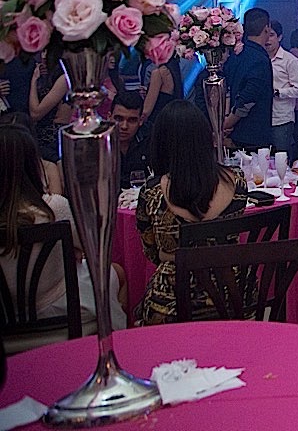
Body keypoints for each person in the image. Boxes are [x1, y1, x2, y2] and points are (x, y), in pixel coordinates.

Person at [1, 125, 127, 331]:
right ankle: (117, 339)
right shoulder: (53, 208)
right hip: (58, 307)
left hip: (6, 317)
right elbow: (88, 247)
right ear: (33, 163)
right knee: (116, 272)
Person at [135, 100, 248, 325]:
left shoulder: (152, 192)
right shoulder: (238, 183)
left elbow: (152, 252)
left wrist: (172, 254)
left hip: (171, 304)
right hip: (234, 298)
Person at [222, 7, 274, 152]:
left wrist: (225, 119)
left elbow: (228, 90)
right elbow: (248, 97)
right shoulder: (260, 59)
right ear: (267, 29)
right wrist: (226, 123)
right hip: (252, 135)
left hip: (234, 132)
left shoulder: (237, 54)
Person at [265, 21, 298, 161]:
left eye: (271, 35)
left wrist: (278, 92)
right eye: (265, 35)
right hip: (262, 118)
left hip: (282, 119)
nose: (267, 39)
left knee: (281, 159)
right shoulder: (260, 59)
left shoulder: (290, 60)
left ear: (280, 37)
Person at [112, 91, 153, 188]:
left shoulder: (150, 140)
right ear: (109, 117)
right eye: (119, 119)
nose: (124, 126)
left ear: (141, 120)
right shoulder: (99, 144)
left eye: (132, 120)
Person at [140, 53, 183, 130]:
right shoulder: (174, 70)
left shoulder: (158, 73)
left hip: (157, 122)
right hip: (173, 119)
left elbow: (146, 110)